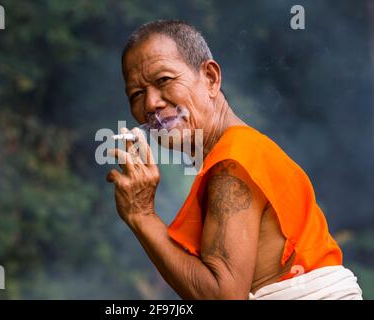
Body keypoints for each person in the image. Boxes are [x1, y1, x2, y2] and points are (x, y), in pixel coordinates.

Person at [106, 20, 363, 300]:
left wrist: (141, 215)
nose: (151, 104)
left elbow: (223, 296)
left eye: (164, 80)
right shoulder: (235, 152)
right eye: (137, 94)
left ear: (211, 78)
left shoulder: (233, 162)